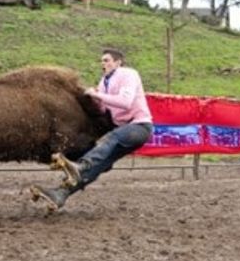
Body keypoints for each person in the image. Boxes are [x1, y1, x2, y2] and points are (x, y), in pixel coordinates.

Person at [31, 48, 153, 211]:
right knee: (99, 166)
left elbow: (125, 102)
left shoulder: (128, 74)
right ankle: (61, 194)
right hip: (126, 130)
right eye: (102, 61)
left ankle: (82, 166)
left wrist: (97, 96)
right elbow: (103, 108)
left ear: (118, 62)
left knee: (111, 138)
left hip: (139, 126)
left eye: (107, 60)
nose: (103, 63)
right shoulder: (104, 82)